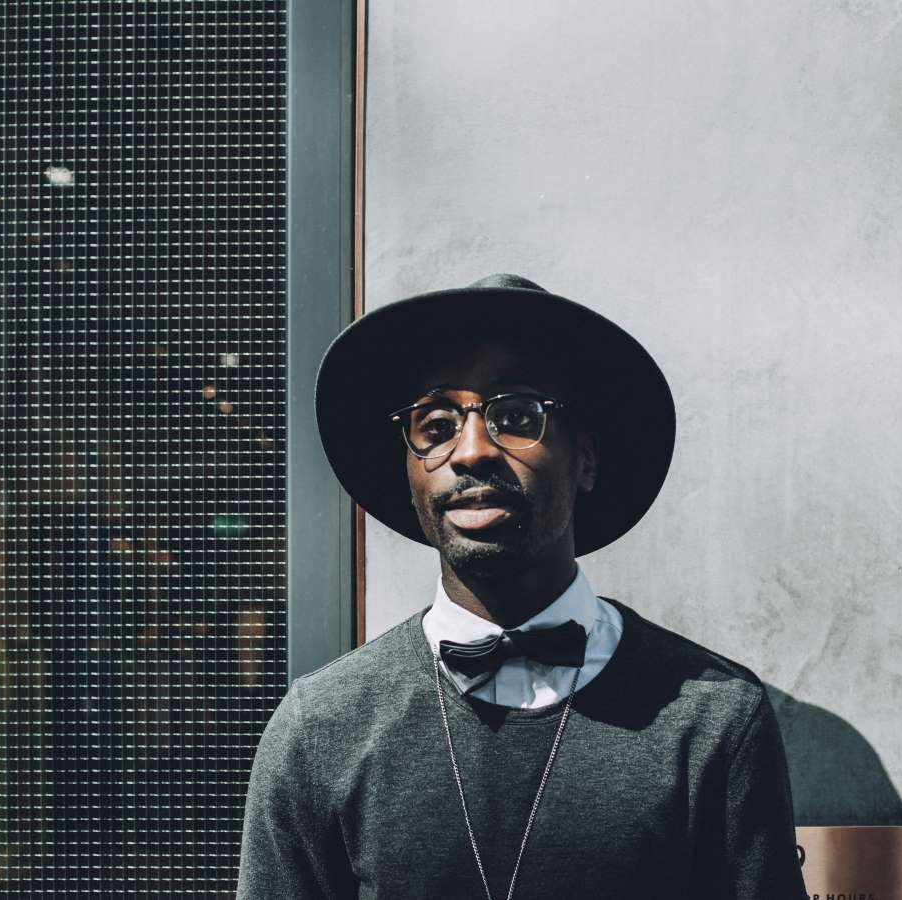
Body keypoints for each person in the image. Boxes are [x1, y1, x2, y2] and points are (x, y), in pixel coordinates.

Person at [237, 274, 807, 899]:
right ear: (408, 472)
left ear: (585, 458)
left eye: (515, 416)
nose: (472, 450)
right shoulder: (321, 727)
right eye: (435, 425)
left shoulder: (713, 719)